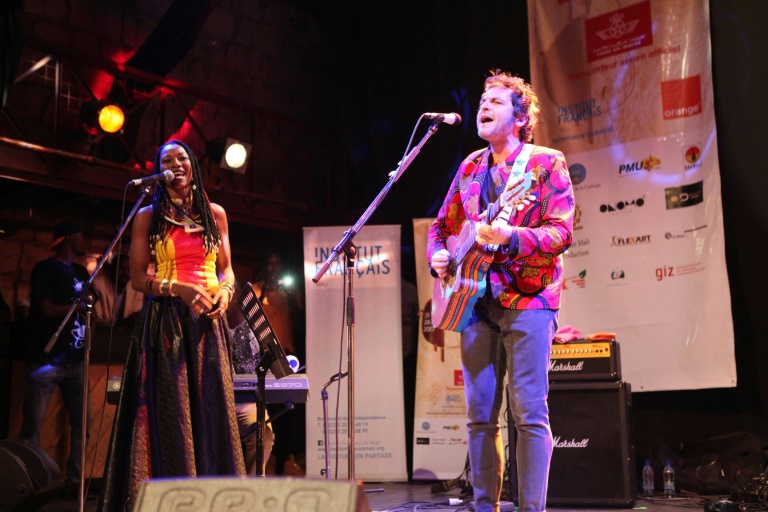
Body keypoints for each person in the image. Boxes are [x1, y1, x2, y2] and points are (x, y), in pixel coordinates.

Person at [427, 71, 575, 512]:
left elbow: (561, 232)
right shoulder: (470, 166)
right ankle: (483, 506)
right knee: (479, 417)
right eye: (482, 101)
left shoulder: (545, 163)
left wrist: (510, 237)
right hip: (475, 302)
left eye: (495, 101)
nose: (484, 107)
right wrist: (439, 256)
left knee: (528, 413)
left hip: (530, 298)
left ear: (520, 117)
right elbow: (440, 227)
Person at [100, 140, 245, 511]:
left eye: (182, 157)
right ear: (159, 170)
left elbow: (227, 269)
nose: (176, 163)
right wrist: (177, 288)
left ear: (193, 164)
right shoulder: (147, 216)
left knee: (210, 410)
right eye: (167, 160)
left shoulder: (215, 214)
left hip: (208, 323)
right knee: (174, 413)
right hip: (167, 321)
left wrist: (225, 292)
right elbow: (137, 278)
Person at [21, 221, 92, 493]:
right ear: (69, 238)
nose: (85, 241)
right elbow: (47, 309)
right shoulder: (45, 269)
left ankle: (75, 483)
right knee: (33, 426)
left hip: (76, 361)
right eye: (81, 236)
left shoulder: (81, 271)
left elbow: (89, 306)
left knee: (82, 426)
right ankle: (31, 484)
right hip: (47, 361)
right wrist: (76, 307)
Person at [227, 297, 276, 475]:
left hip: (246, 400)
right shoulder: (207, 322)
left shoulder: (252, 326)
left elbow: (268, 364)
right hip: (214, 400)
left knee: (263, 434)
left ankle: (249, 486)